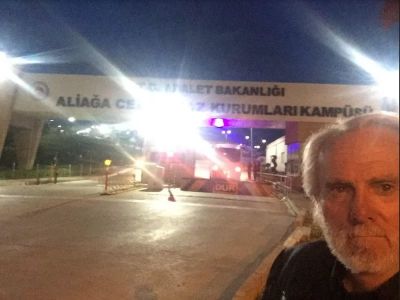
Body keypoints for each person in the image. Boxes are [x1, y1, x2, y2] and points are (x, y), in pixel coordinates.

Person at [262, 112, 399, 299]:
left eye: (385, 187)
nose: (359, 212)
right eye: (340, 189)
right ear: (317, 200)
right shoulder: (296, 266)